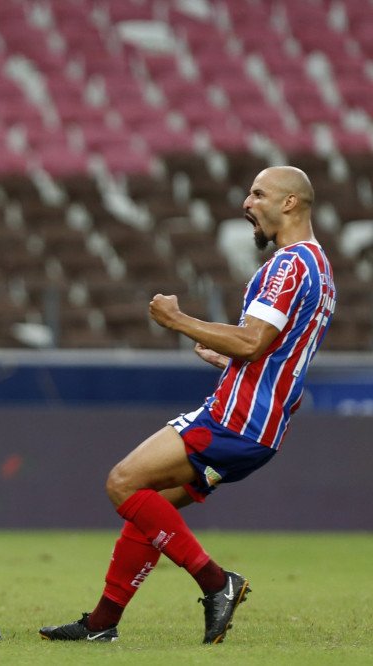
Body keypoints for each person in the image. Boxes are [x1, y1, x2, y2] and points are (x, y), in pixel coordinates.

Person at [38, 166, 335, 645]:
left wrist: (177, 320)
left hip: (234, 420)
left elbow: (254, 341)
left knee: (123, 483)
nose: (246, 202)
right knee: (148, 509)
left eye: (258, 193)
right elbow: (278, 360)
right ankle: (102, 623)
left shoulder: (290, 264)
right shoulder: (321, 268)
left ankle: (217, 583)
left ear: (290, 203)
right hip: (261, 429)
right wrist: (230, 360)